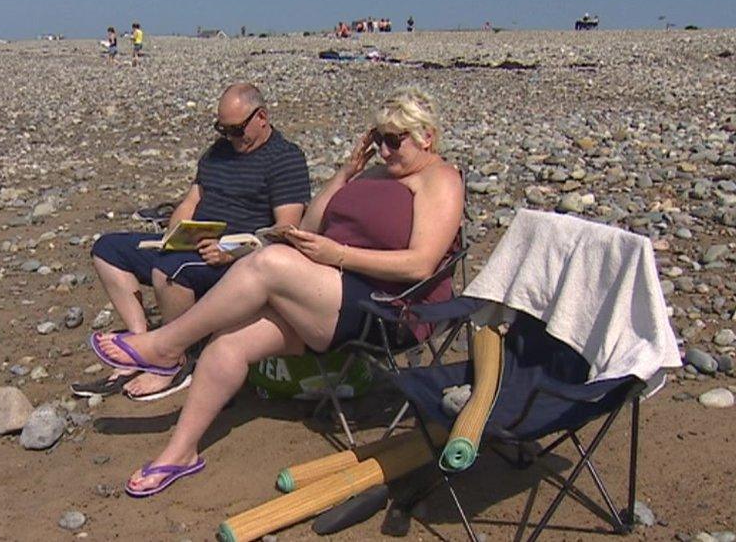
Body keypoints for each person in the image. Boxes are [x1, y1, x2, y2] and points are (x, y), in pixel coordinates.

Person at [91, 87, 463, 497]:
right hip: (326, 292)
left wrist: (338, 254)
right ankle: (180, 452)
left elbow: (420, 265)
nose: (386, 151)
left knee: (267, 263)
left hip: (389, 308)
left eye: (395, 140)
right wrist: (345, 174)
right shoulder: (376, 174)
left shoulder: (439, 179)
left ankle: (164, 346)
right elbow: (312, 225)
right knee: (227, 344)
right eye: (379, 139)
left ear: (426, 136)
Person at [80, 83, 311, 401]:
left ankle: (173, 360)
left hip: (237, 256)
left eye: (236, 130)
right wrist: (173, 234)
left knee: (170, 270)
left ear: (261, 117)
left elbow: (285, 229)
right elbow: (191, 201)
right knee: (107, 249)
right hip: (195, 241)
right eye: (223, 129)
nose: (230, 137)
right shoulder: (218, 152)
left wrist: (230, 252)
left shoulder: (285, 158)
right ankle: (140, 342)